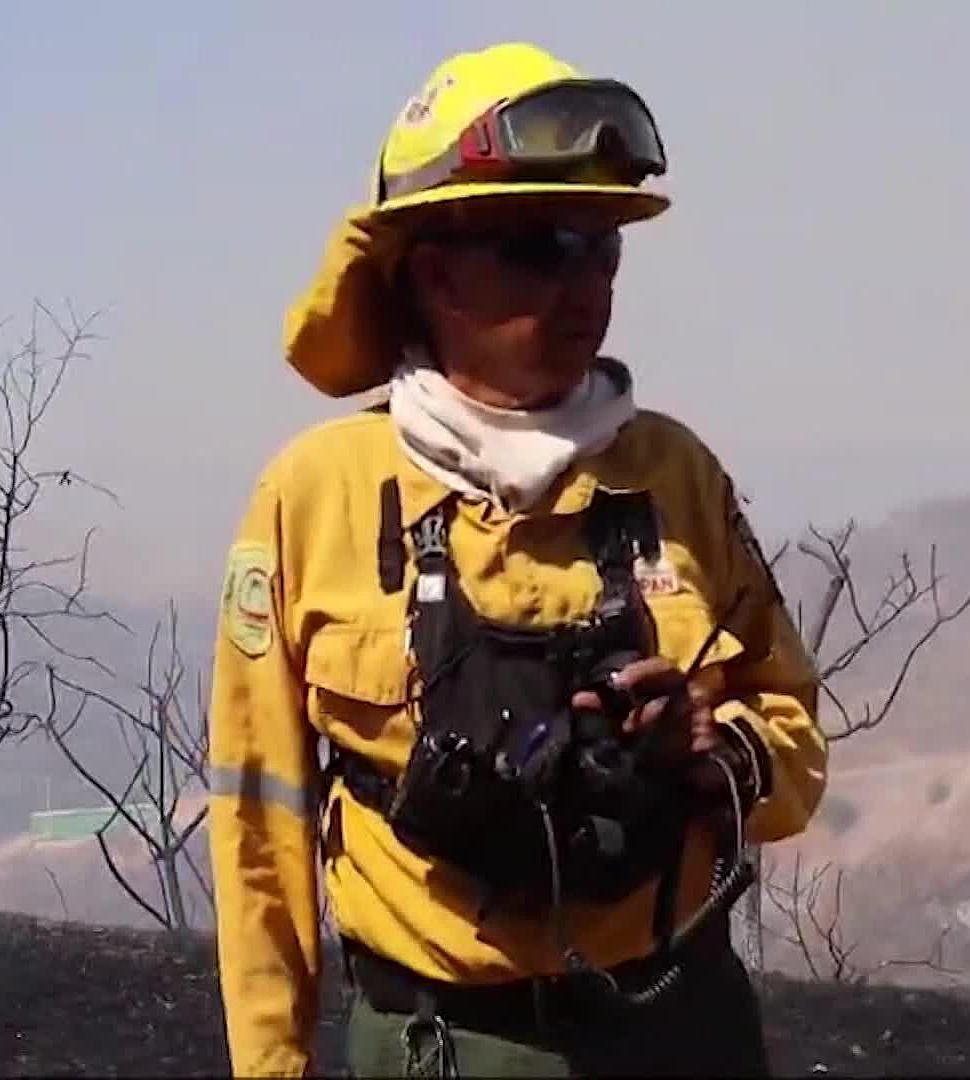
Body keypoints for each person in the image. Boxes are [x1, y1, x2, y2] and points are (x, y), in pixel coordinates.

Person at [207, 41, 830, 1079]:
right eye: (542, 245)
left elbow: (795, 731)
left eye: (603, 247)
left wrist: (709, 754)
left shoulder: (675, 480)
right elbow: (260, 822)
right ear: (434, 270)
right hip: (439, 1047)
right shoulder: (312, 499)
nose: (586, 281)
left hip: (678, 1031)